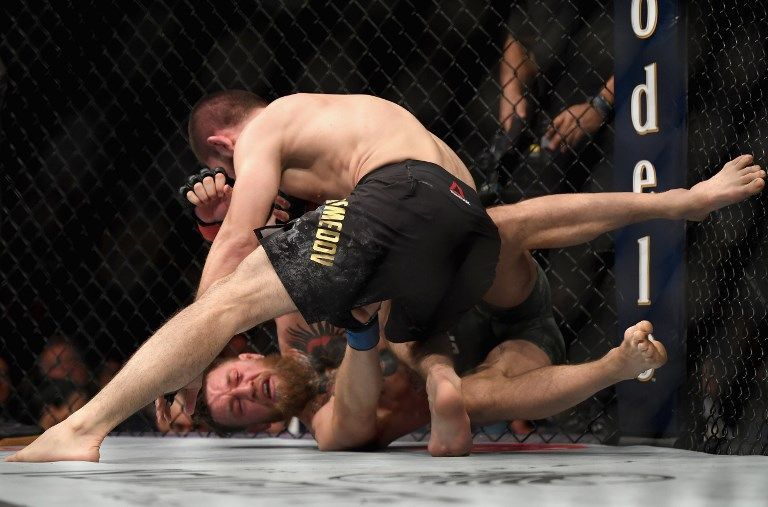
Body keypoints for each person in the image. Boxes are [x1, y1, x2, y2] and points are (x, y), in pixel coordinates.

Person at [7, 91, 506, 461]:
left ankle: (82, 429)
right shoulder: (363, 119)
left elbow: (236, 243)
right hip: (468, 230)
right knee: (399, 326)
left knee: (228, 298)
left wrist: (198, 356)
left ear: (220, 143)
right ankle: (445, 393)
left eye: (226, 168)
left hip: (399, 191)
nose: (236, 177)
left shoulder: (269, 125)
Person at [183, 154, 765, 450]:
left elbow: (211, 307)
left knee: (494, 229)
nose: (242, 392)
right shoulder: (327, 428)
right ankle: (616, 366)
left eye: (231, 379)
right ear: (259, 426)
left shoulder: (288, 319)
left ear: (249, 358)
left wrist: (222, 222)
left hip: (480, 289)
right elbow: (357, 413)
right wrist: (368, 335)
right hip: (512, 345)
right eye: (237, 408)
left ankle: (679, 202)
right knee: (472, 396)